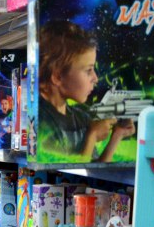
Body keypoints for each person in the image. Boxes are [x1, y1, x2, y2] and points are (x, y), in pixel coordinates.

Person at [37, 20, 135, 163]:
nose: (95, 78)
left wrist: (117, 136)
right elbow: (66, 169)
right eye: (88, 70)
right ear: (57, 77)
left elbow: (93, 168)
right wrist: (92, 136)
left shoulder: (81, 117)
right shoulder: (41, 122)